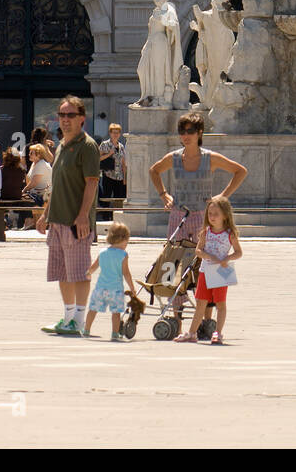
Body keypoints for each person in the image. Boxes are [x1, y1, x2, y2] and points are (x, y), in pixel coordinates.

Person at [35, 96, 107, 336]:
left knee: (79, 271)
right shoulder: (62, 145)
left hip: (76, 221)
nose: (65, 120)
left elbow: (91, 183)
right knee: (61, 271)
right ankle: (67, 318)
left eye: (71, 115)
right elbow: (57, 184)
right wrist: (45, 213)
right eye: (62, 115)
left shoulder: (87, 146)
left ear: (82, 119)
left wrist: (83, 216)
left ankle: (79, 318)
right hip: (57, 218)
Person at [147, 112, 248, 245]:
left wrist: (222, 197)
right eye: (182, 132)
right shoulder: (174, 157)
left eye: (190, 131)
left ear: (199, 132)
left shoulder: (210, 158)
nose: (186, 135)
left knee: (202, 260)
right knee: (173, 259)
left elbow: (241, 171)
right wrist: (164, 195)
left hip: (203, 216)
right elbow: (154, 170)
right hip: (178, 214)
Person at [175, 196, 242, 344]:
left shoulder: (229, 234)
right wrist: (206, 255)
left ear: (225, 215)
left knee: (220, 303)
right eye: (210, 214)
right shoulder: (206, 232)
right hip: (205, 270)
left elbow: (239, 252)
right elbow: (198, 250)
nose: (212, 217)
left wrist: (227, 258)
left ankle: (218, 332)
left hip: (221, 271)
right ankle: (192, 332)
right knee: (201, 302)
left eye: (216, 214)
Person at [84, 222, 139, 341]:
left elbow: (94, 267)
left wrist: (88, 274)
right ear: (122, 239)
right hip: (116, 290)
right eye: (127, 241)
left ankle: (86, 329)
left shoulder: (102, 252)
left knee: (93, 309)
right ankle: (114, 334)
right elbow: (126, 273)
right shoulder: (123, 254)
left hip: (100, 289)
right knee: (116, 313)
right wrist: (132, 288)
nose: (127, 244)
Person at [98, 123, 127, 223]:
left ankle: (118, 219)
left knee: (119, 198)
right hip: (108, 175)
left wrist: (125, 179)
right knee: (107, 197)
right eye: (114, 132)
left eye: (117, 132)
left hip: (119, 176)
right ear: (110, 133)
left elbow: (124, 163)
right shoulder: (105, 144)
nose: (115, 134)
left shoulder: (121, 146)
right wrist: (109, 154)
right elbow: (97, 158)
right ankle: (106, 217)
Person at [23, 142, 53, 212]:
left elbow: (34, 183)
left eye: (31, 153)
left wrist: (23, 191)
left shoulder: (41, 164)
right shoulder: (35, 163)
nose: (29, 155)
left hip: (43, 198)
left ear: (39, 154)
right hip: (37, 196)